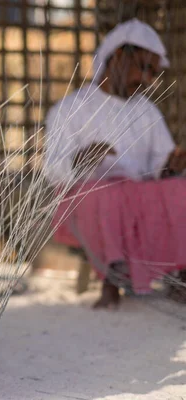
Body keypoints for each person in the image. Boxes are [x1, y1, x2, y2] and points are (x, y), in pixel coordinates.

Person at [43, 18, 186, 309]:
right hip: (88, 204)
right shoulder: (71, 108)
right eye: (144, 68)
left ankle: (181, 275)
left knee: (179, 189)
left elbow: (160, 170)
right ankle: (112, 280)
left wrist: (173, 164)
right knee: (104, 193)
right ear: (118, 56)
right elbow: (51, 171)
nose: (147, 80)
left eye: (154, 74)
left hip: (137, 204)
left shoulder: (147, 111)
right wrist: (80, 161)